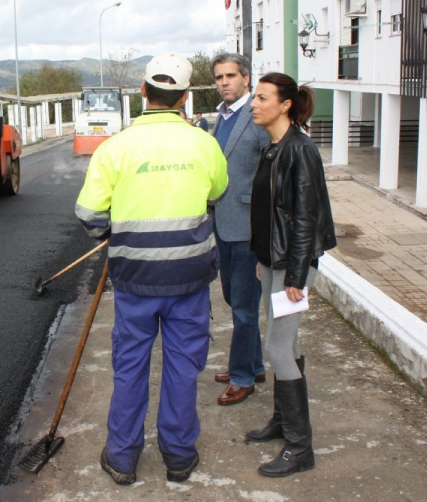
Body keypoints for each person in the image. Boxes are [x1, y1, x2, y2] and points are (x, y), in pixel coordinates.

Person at [75, 53, 228, 485]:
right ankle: (179, 456)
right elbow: (218, 190)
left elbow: (88, 214)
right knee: (183, 366)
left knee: (130, 365)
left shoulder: (116, 146)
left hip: (135, 280)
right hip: (189, 279)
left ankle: (122, 457)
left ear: (142, 92)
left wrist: (111, 232)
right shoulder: (204, 143)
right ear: (183, 98)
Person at [245, 72, 336, 477]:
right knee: (288, 341)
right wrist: (261, 259)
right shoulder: (274, 148)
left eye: (262, 98)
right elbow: (269, 213)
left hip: (292, 266)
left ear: (284, 105)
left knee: (278, 348)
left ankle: (300, 448)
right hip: (274, 262)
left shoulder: (300, 150)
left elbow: (306, 219)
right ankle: (283, 424)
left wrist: (297, 276)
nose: (254, 104)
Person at [209, 52, 270, 406]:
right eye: (218, 77)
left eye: (230, 75)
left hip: (249, 228)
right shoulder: (221, 117)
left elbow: (270, 173)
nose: (224, 82)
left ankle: (243, 377)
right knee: (234, 299)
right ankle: (255, 364)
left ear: (247, 78)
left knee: (245, 307)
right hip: (223, 224)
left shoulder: (257, 115)